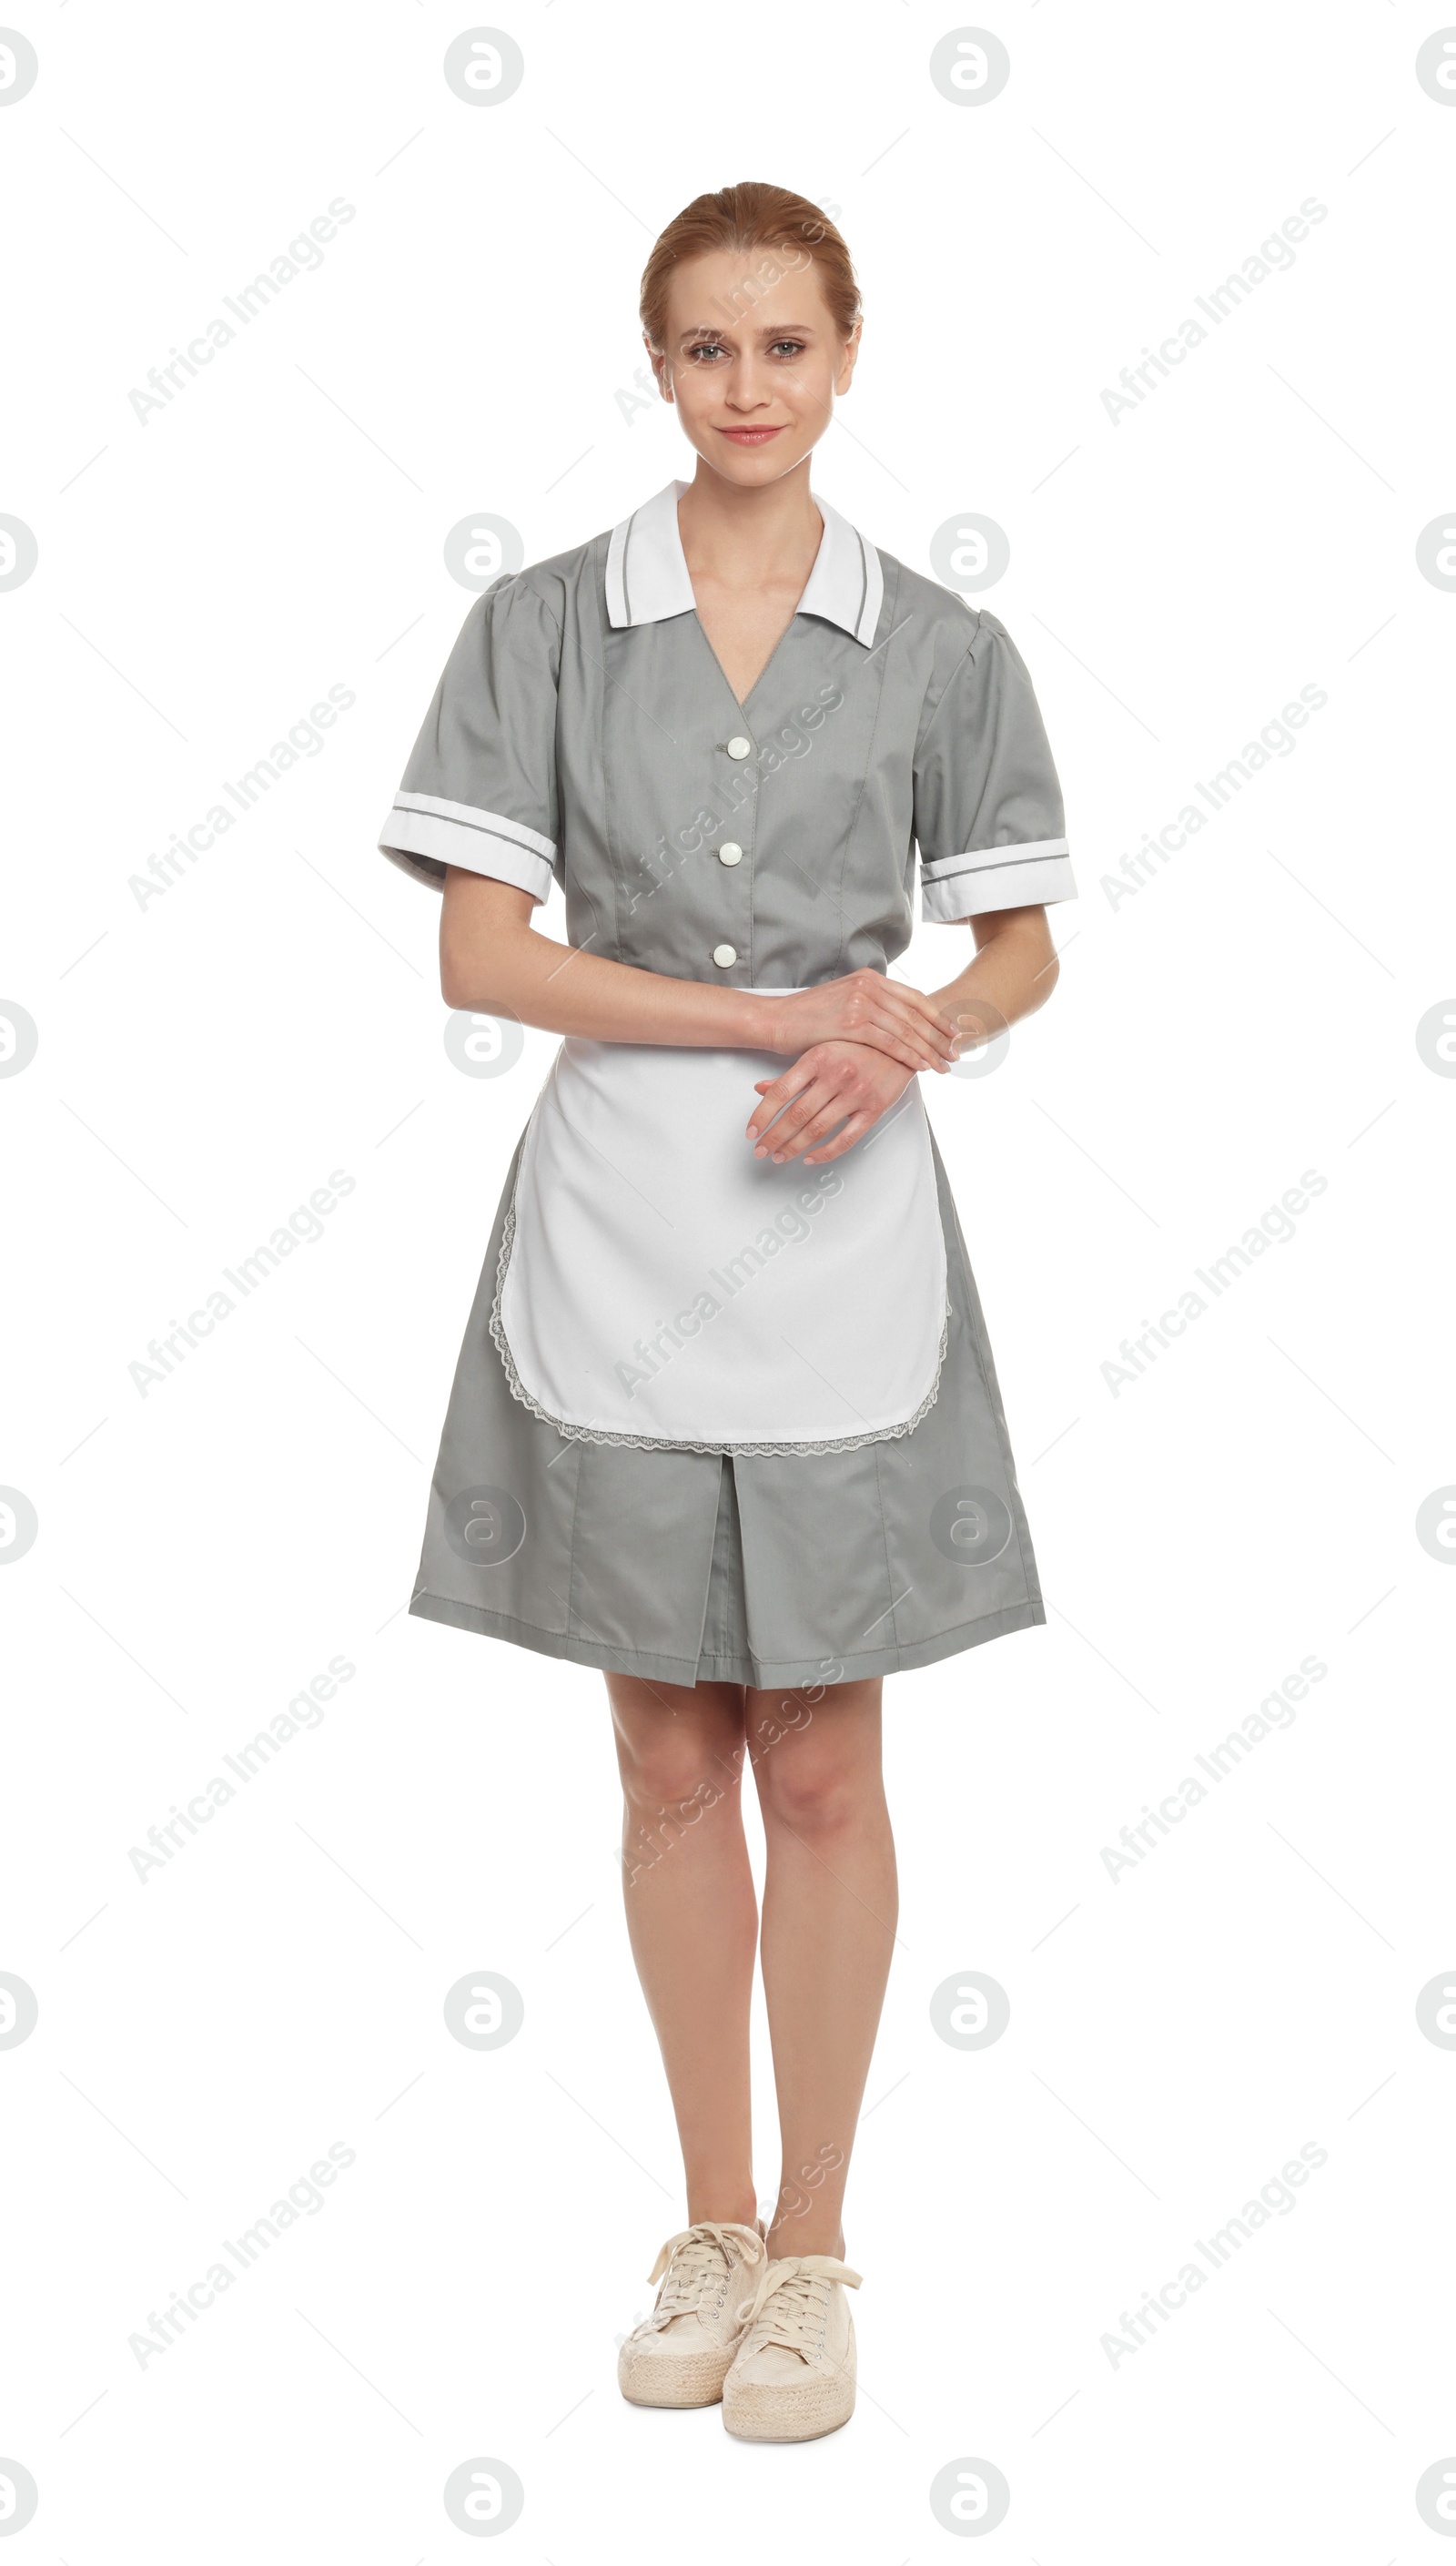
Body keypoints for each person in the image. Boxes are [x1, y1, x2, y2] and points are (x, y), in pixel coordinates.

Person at [377, 182, 1075, 2443]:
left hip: (842, 1238)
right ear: (657, 368)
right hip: (618, 1230)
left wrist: (901, 1040)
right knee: (664, 1752)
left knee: (825, 1758)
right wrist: (760, 1019)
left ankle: (820, 2246)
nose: (747, 387)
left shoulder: (948, 651)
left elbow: (1014, 951)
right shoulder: (544, 626)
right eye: (706, 351)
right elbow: (484, 960)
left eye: (786, 346)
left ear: (846, 358)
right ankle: (704, 2221)